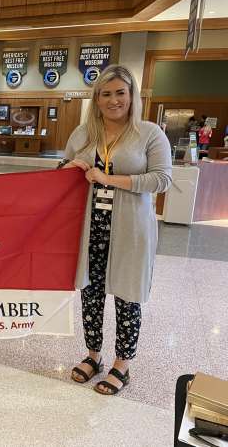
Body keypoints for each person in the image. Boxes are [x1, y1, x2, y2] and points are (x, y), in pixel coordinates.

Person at [59, 65, 172, 395]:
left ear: (132, 95)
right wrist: (70, 166)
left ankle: (122, 364)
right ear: (96, 99)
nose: (113, 100)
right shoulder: (83, 134)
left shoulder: (149, 133)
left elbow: (162, 179)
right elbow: (61, 173)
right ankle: (93, 356)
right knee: (90, 294)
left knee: (127, 296)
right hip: (90, 227)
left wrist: (109, 179)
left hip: (130, 230)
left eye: (120, 92)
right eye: (105, 94)